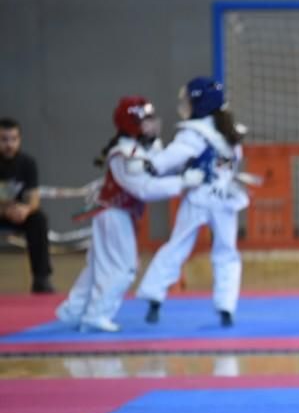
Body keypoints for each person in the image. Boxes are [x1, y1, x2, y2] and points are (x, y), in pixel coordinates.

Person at [55, 97, 204, 332]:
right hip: (112, 214)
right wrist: (182, 182)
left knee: (97, 267)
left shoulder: (145, 147)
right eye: (146, 121)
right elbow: (143, 188)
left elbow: (159, 166)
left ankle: (73, 311)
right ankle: (96, 314)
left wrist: (186, 165)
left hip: (116, 214)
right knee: (124, 268)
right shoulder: (125, 153)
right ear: (132, 124)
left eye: (153, 119)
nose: (153, 125)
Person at [136, 77, 248, 327]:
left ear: (197, 103)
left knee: (177, 246)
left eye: (184, 100)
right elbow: (229, 162)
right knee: (226, 252)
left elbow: (163, 164)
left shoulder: (193, 134)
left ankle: (154, 297)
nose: (181, 105)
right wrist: (218, 175)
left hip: (199, 198)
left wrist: (153, 149)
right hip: (223, 199)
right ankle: (226, 307)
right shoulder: (228, 133)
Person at [0, 118, 54, 293]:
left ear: (19, 139)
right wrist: (4, 210)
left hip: (18, 214)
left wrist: (26, 209)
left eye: (13, 139)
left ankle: (41, 279)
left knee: (38, 219)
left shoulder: (27, 163)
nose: (9, 144)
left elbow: (34, 198)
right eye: (4, 139)